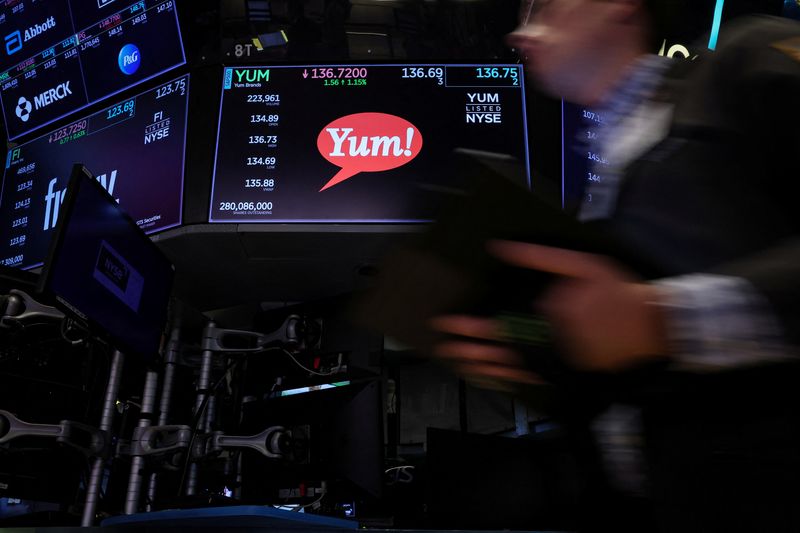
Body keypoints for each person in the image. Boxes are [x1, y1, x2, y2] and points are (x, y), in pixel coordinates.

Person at [431, 1, 800, 531]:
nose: (519, 34)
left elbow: (655, 323)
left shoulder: (745, 62)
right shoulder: (595, 201)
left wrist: (669, 318)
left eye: (545, 7)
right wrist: (526, 345)